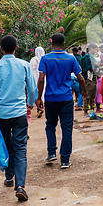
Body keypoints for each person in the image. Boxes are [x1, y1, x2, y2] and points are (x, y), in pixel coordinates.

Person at [0, 35, 38, 201]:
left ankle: (9, 177)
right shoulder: (24, 65)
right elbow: (32, 88)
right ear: (16, 48)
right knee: (21, 148)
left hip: (2, 115)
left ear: (1, 49)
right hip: (20, 113)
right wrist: (30, 103)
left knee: (6, 144)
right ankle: (20, 185)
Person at [35, 33, 87, 169]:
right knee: (66, 128)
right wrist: (84, 91)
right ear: (63, 44)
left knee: (50, 125)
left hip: (50, 98)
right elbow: (80, 78)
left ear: (52, 43)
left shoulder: (45, 58)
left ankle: (51, 152)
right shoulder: (70, 58)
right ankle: (65, 160)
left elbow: (41, 79)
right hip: (66, 98)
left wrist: (39, 98)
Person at [80, 44, 100, 117]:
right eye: (95, 49)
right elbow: (90, 68)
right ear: (91, 48)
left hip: (93, 78)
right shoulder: (87, 58)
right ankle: (85, 110)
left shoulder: (92, 57)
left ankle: (92, 110)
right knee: (87, 95)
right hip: (88, 79)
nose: (96, 51)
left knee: (93, 96)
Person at [30, 47, 45, 118]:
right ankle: (43, 106)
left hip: (35, 78)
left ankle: (39, 108)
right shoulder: (44, 59)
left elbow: (31, 69)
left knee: (36, 92)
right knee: (43, 92)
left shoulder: (33, 60)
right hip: (43, 78)